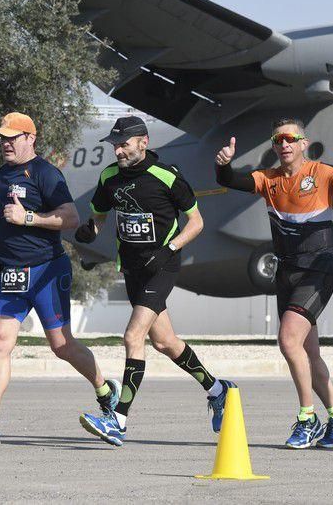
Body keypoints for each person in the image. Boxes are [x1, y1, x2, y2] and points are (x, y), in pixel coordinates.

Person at [0, 112, 119, 446]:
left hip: (46, 271)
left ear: (31, 137)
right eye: (2, 137)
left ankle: (104, 389)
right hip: (11, 274)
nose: (5, 143)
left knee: (62, 346)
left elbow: (70, 218)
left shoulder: (44, 172)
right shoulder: (4, 173)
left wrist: (27, 217)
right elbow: (5, 214)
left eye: (12, 137)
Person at [215, 118, 333, 448]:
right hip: (286, 272)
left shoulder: (322, 173)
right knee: (308, 353)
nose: (284, 144)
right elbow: (231, 180)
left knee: (288, 341)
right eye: (278, 141)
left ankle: (307, 418)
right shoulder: (267, 179)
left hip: (318, 270)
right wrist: (225, 165)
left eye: (291, 138)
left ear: (303, 143)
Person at [76, 116, 235, 447]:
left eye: (123, 144)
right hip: (133, 268)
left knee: (133, 336)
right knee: (165, 342)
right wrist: (89, 231)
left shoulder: (167, 177)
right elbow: (99, 217)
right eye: (114, 145)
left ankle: (117, 420)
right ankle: (219, 390)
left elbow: (196, 223)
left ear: (142, 143)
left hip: (162, 267)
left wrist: (169, 250)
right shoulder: (109, 178)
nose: (117, 150)